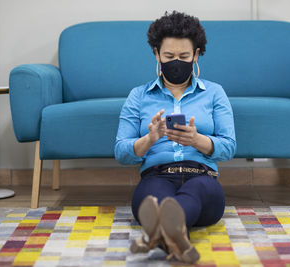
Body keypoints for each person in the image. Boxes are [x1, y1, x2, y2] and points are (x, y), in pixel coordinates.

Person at [114, 11, 236, 264]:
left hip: (204, 178)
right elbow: (121, 152)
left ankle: (157, 233)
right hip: (157, 175)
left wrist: (197, 140)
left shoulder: (215, 93)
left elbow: (229, 147)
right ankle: (177, 237)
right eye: (169, 56)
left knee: (197, 188)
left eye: (184, 56)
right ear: (157, 54)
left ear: (197, 55)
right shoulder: (138, 96)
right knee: (154, 198)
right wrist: (150, 138)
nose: (176, 62)